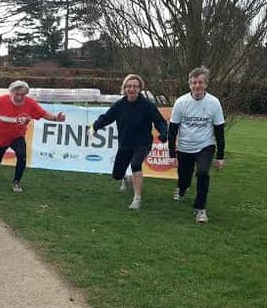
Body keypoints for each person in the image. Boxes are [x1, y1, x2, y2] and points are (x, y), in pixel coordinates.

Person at [91, 74, 168, 209]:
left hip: (142, 143)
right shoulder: (120, 105)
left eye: (135, 86)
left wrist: (163, 132)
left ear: (139, 89)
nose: (132, 89)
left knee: (135, 164)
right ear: (125, 88)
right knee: (117, 175)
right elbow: (107, 117)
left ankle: (137, 198)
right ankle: (126, 179)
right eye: (129, 86)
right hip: (125, 143)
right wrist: (95, 126)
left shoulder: (147, 105)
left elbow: (160, 121)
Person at [0, 80, 66, 193]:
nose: (19, 97)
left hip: (17, 136)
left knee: (22, 156)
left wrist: (56, 118)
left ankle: (16, 182)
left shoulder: (30, 103)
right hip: (0, 136)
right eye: (17, 94)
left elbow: (43, 114)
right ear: (11, 93)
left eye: (22, 94)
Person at [168, 66, 225, 224]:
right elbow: (172, 130)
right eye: (194, 83)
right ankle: (181, 188)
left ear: (206, 84)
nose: (197, 86)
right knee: (184, 178)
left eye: (200, 82)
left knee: (202, 172)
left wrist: (220, 156)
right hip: (185, 147)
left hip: (205, 146)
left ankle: (200, 209)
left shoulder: (214, 103)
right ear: (189, 84)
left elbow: (219, 130)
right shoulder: (181, 102)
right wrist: (172, 154)